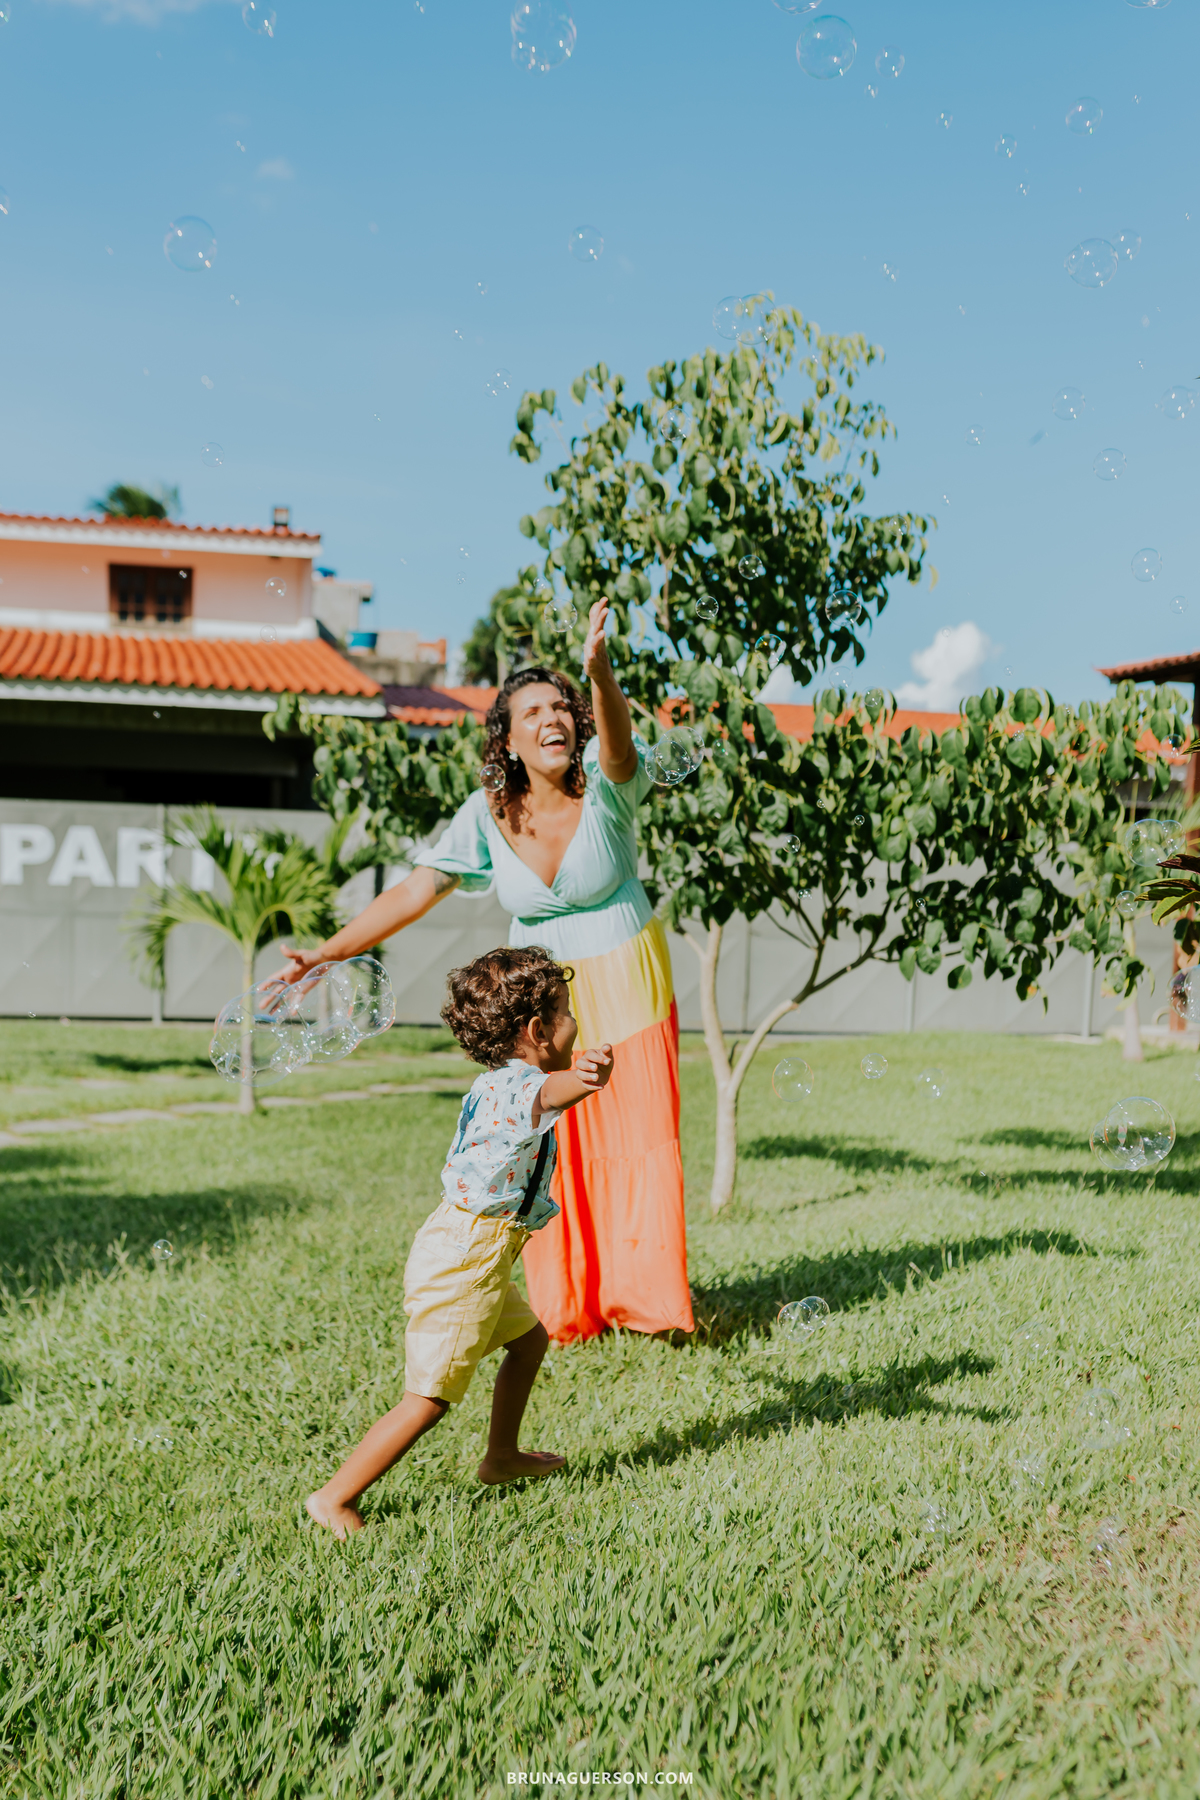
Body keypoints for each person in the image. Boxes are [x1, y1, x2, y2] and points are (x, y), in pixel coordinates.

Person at [280, 598, 694, 1345]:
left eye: (563, 705)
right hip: (539, 999)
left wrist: (599, 671)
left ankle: (647, 1303)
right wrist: (330, 950)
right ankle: (569, 1309)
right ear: (507, 738)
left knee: (635, 1138)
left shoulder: (608, 782)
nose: (553, 717)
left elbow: (624, 745)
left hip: (628, 975)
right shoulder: (486, 814)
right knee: (551, 1142)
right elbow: (417, 888)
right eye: (533, 710)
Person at [305, 946, 613, 1537]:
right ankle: (334, 1497)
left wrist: (575, 1074)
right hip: (467, 1258)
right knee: (429, 1397)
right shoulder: (517, 1089)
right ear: (538, 1030)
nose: (577, 1022)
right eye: (568, 1012)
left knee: (527, 1344)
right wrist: (587, 1077)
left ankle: (501, 1457)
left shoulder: (498, 1079)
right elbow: (548, 1097)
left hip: (476, 1252)